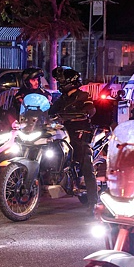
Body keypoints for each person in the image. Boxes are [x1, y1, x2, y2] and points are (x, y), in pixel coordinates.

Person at [48, 66, 98, 209]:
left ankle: (93, 201)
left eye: (61, 81)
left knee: (85, 162)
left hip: (80, 132)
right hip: (63, 132)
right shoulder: (61, 99)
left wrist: (83, 114)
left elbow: (90, 109)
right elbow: (50, 111)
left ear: (70, 82)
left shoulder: (83, 96)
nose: (59, 83)